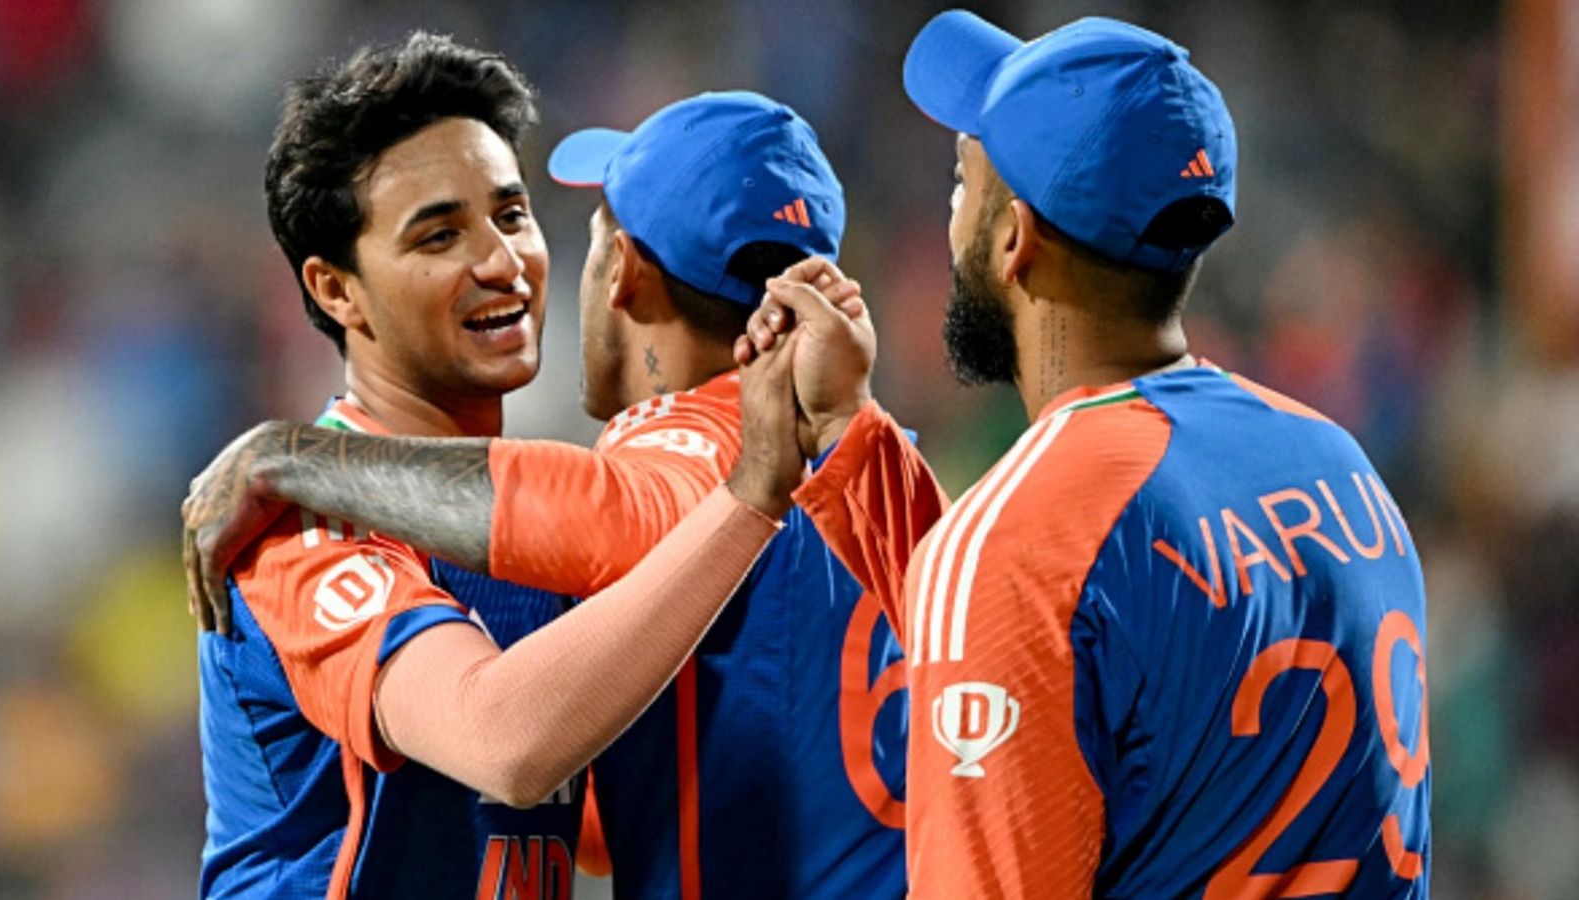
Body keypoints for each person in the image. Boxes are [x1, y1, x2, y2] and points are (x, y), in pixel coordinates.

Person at [738, 11, 1431, 898]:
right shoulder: (1339, 467)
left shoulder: (1023, 545)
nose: (948, 215)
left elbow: (1029, 594)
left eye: (962, 182)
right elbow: (1047, 647)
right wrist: (846, 434)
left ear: (1014, 239)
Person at [185, 91, 908, 898]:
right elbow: (509, 744)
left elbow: (583, 807)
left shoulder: (555, 522)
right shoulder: (297, 524)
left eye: (512, 215)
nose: (501, 261)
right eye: (439, 235)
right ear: (337, 290)